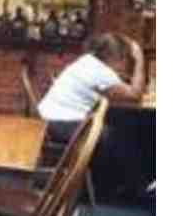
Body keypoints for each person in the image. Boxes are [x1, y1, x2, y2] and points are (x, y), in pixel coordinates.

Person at [38, 32, 146, 197]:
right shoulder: (101, 73)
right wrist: (139, 59)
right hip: (57, 124)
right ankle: (138, 187)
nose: (126, 63)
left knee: (117, 125)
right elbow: (135, 95)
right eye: (126, 58)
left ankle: (116, 184)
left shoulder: (88, 61)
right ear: (116, 56)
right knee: (118, 135)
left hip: (47, 119)